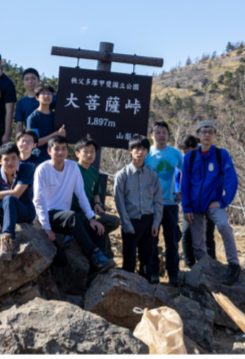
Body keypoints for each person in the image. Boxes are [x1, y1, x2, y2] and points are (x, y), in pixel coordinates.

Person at [34, 136, 115, 274]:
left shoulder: (72, 167)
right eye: (56, 149)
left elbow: (81, 194)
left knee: (96, 230)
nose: (60, 152)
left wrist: (92, 219)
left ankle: (96, 273)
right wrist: (46, 227)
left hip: (65, 218)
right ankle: (95, 254)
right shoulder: (43, 169)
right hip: (49, 215)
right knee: (71, 216)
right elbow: (39, 200)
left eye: (63, 149)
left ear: (67, 151)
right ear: (49, 151)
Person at [181, 121, 241, 285]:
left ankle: (234, 264)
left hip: (213, 203)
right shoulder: (190, 157)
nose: (207, 134)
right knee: (197, 243)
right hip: (194, 205)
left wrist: (223, 201)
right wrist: (186, 207)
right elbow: (184, 183)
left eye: (211, 131)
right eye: (204, 131)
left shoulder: (222, 155)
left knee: (223, 226)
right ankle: (204, 270)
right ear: (198, 135)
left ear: (214, 135)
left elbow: (231, 180)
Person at [114, 135, 164, 282]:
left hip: (148, 222)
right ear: (130, 150)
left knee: (146, 260)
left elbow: (158, 201)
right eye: (136, 148)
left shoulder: (152, 175)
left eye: (143, 149)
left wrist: (156, 223)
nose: (140, 152)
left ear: (147, 152)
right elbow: (119, 203)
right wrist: (126, 224)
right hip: (131, 221)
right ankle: (127, 291)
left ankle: (146, 291)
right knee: (129, 260)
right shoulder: (121, 175)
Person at [145, 121, 185, 284]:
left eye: (164, 132)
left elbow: (186, 173)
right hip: (151, 203)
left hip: (170, 204)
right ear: (152, 135)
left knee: (172, 241)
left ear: (168, 135)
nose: (161, 135)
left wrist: (181, 190)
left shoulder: (176, 154)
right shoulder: (147, 154)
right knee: (152, 240)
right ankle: (153, 272)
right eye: (158, 132)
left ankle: (173, 274)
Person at [73, 138, 121, 258]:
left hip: (90, 211)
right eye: (86, 151)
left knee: (113, 221)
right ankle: (107, 256)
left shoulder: (94, 171)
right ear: (77, 153)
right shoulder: (72, 169)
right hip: (76, 212)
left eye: (92, 151)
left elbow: (96, 193)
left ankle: (104, 255)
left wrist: (97, 204)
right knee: (104, 225)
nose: (90, 154)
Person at [178, 135, 215, 266]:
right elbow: (179, 180)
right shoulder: (184, 160)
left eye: (187, 151)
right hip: (189, 204)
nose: (185, 155)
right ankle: (190, 263)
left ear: (195, 148)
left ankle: (211, 263)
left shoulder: (208, 157)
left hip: (209, 203)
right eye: (183, 152)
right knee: (186, 233)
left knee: (208, 234)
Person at [26, 85, 65, 161]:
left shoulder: (56, 116)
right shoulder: (32, 118)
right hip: (38, 157)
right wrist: (56, 134)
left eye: (50, 94)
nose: (47, 96)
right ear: (37, 97)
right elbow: (36, 142)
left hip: (55, 157)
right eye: (43, 93)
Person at [14, 68, 58, 136]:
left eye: (33, 78)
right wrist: (19, 141)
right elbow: (19, 125)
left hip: (51, 141)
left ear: (39, 80)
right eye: (26, 79)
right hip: (32, 140)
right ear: (23, 82)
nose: (30, 81)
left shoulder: (50, 97)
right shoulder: (21, 102)